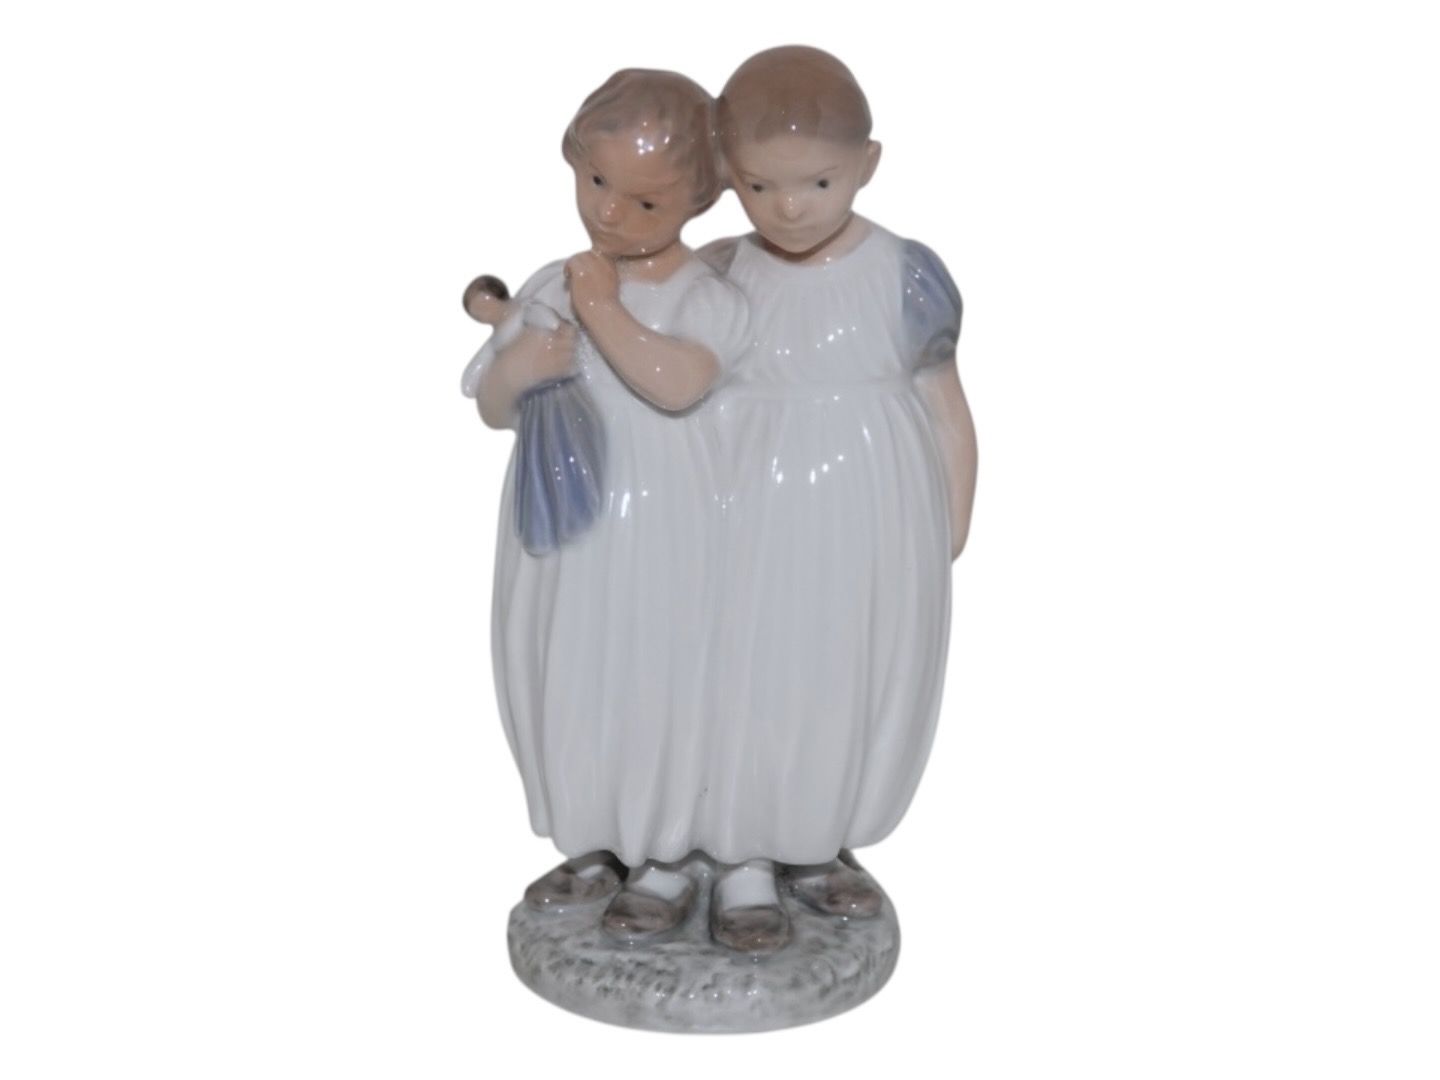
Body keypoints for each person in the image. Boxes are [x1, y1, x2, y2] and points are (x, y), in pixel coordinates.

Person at [695, 46, 978, 953]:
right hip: (747, 513)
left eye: (817, 182)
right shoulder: (718, 273)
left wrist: (950, 520)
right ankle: (740, 851)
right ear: (727, 175)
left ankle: (817, 839)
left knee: (845, 667)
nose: (790, 207)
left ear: (867, 164)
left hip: (868, 507)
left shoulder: (904, 273)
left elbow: (945, 401)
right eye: (760, 186)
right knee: (749, 671)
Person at [461, 70, 749, 941]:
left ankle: (665, 852)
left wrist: (601, 309)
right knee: (564, 665)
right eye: (596, 181)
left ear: (699, 199)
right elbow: (493, 404)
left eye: (644, 200)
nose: (610, 213)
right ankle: (590, 835)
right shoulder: (552, 281)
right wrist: (522, 368)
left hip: (662, 530)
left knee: (653, 674)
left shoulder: (705, 296)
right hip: (562, 525)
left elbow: (679, 383)